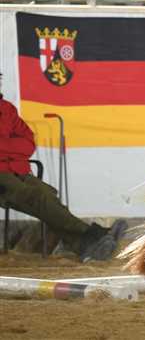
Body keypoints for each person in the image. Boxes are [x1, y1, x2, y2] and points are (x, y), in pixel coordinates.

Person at [0, 71, 126, 261]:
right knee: (38, 198)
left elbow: (28, 143)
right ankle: (94, 235)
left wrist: (7, 149)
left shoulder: (6, 108)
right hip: (3, 175)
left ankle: (84, 246)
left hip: (17, 169)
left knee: (49, 195)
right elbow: (21, 145)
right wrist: (14, 148)